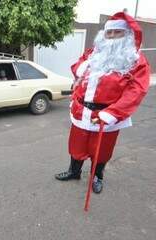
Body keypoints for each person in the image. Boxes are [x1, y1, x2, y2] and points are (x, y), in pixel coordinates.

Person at [55, 12, 150, 194]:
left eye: (117, 32)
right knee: (77, 144)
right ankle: (74, 172)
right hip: (81, 111)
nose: (112, 36)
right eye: (109, 32)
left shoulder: (135, 61)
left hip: (107, 115)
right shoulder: (93, 53)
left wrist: (112, 113)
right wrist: (80, 73)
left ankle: (97, 177)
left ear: (127, 35)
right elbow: (77, 69)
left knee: (101, 150)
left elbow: (135, 91)